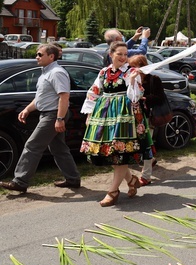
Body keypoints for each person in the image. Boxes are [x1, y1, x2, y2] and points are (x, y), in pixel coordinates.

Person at [0, 44, 81, 194]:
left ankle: (20, 181)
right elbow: (40, 98)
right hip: (48, 113)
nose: (37, 57)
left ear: (51, 56)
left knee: (32, 145)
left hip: (53, 114)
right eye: (37, 54)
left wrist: (59, 118)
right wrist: (27, 109)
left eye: (40, 54)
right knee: (58, 148)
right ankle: (73, 179)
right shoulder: (45, 73)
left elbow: (64, 96)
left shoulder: (57, 72)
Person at [80, 42, 144, 206]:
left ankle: (113, 191)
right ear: (111, 54)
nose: (123, 57)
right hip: (105, 115)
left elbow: (136, 96)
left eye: (125, 54)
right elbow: (94, 92)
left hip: (124, 116)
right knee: (112, 152)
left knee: (121, 152)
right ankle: (131, 180)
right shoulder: (104, 72)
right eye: (120, 54)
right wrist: (89, 114)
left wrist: (132, 81)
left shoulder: (130, 72)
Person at [127, 54, 162, 186]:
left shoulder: (154, 79)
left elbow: (160, 97)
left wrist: (146, 98)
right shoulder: (130, 79)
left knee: (147, 144)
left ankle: (146, 176)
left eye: (136, 66)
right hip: (135, 116)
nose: (134, 69)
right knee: (139, 144)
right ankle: (151, 159)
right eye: (132, 66)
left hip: (149, 117)